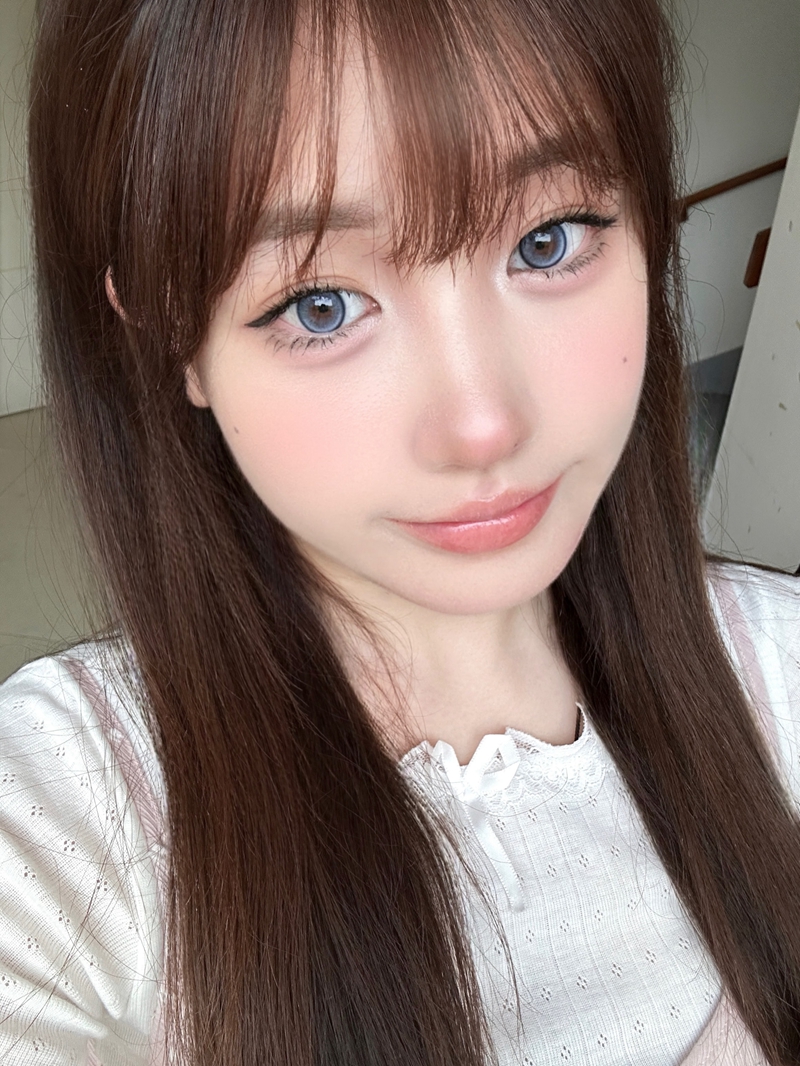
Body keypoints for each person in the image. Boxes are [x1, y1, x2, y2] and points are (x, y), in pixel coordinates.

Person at [1, 0, 799, 1062]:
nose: (483, 425)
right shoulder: (70, 805)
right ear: (172, 337)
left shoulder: (777, 666)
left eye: (547, 240)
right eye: (320, 304)